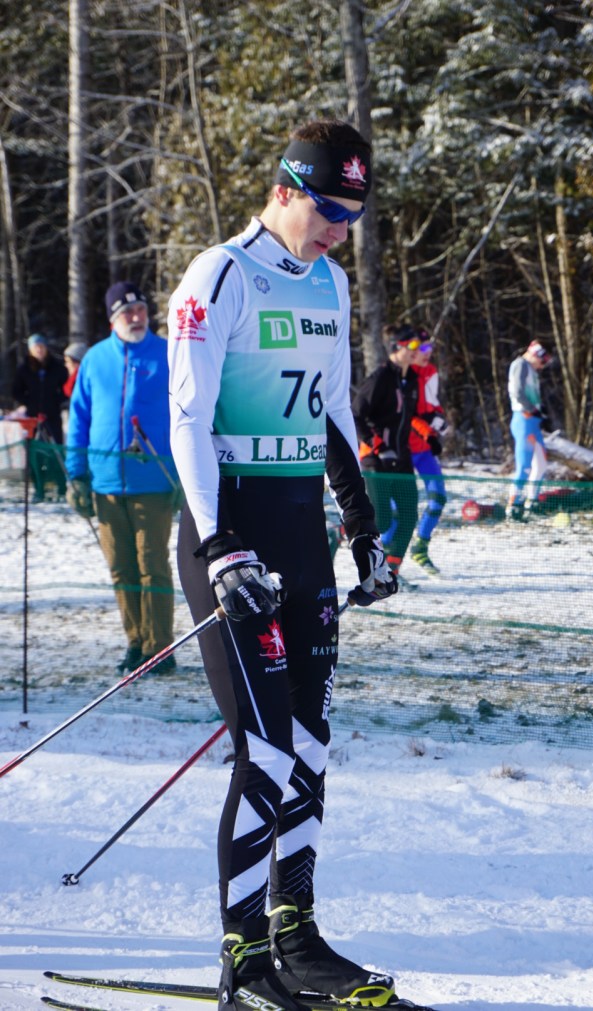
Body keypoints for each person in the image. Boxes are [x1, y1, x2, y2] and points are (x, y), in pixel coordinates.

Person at [167, 120, 398, 1011]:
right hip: (235, 534)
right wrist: (221, 543)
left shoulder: (331, 284)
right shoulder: (219, 273)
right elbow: (187, 418)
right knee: (262, 753)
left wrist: (362, 525)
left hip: (303, 532)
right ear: (286, 188)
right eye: (331, 208)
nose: (341, 227)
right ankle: (244, 963)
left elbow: (334, 410)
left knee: (309, 748)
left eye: (354, 212)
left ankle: (295, 933)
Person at [66, 282, 179, 674]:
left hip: (155, 480)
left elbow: (190, 409)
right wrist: (75, 474)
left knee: (153, 565)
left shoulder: (168, 354)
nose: (136, 317)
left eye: (140, 310)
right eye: (127, 312)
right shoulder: (95, 360)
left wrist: (186, 470)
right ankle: (136, 643)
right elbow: (78, 417)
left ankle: (160, 648)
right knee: (122, 569)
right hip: (106, 483)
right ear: (113, 318)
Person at [352, 325, 420, 578]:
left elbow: (407, 417)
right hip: (377, 460)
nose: (416, 351)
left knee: (409, 515)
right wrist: (375, 443)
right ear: (396, 348)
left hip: (402, 458)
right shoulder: (381, 377)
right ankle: (340, 532)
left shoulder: (411, 379)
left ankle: (391, 568)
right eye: (411, 346)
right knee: (380, 521)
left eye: (419, 347)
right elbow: (357, 413)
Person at [407, 329, 450, 574]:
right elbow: (408, 414)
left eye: (430, 348)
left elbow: (430, 405)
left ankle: (420, 547)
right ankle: (389, 566)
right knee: (398, 511)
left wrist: (438, 419)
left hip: (424, 450)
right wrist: (426, 429)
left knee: (438, 497)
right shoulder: (403, 374)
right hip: (402, 448)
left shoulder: (431, 372)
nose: (427, 353)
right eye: (422, 349)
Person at [12, 333, 69, 501]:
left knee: (56, 451)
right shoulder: (24, 368)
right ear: (30, 350)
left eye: (41, 347)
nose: (39, 350)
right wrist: (30, 404)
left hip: (52, 415)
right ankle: (39, 490)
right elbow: (16, 391)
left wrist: (57, 401)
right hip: (33, 418)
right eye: (35, 347)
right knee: (35, 455)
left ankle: (61, 488)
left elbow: (65, 389)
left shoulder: (56, 367)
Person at [506, 339, 552, 519]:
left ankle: (532, 501)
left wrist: (540, 412)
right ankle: (514, 504)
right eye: (542, 362)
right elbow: (517, 391)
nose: (542, 366)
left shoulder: (532, 369)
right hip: (523, 418)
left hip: (533, 421)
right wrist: (531, 409)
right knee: (524, 465)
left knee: (540, 463)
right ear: (535, 355)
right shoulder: (520, 364)